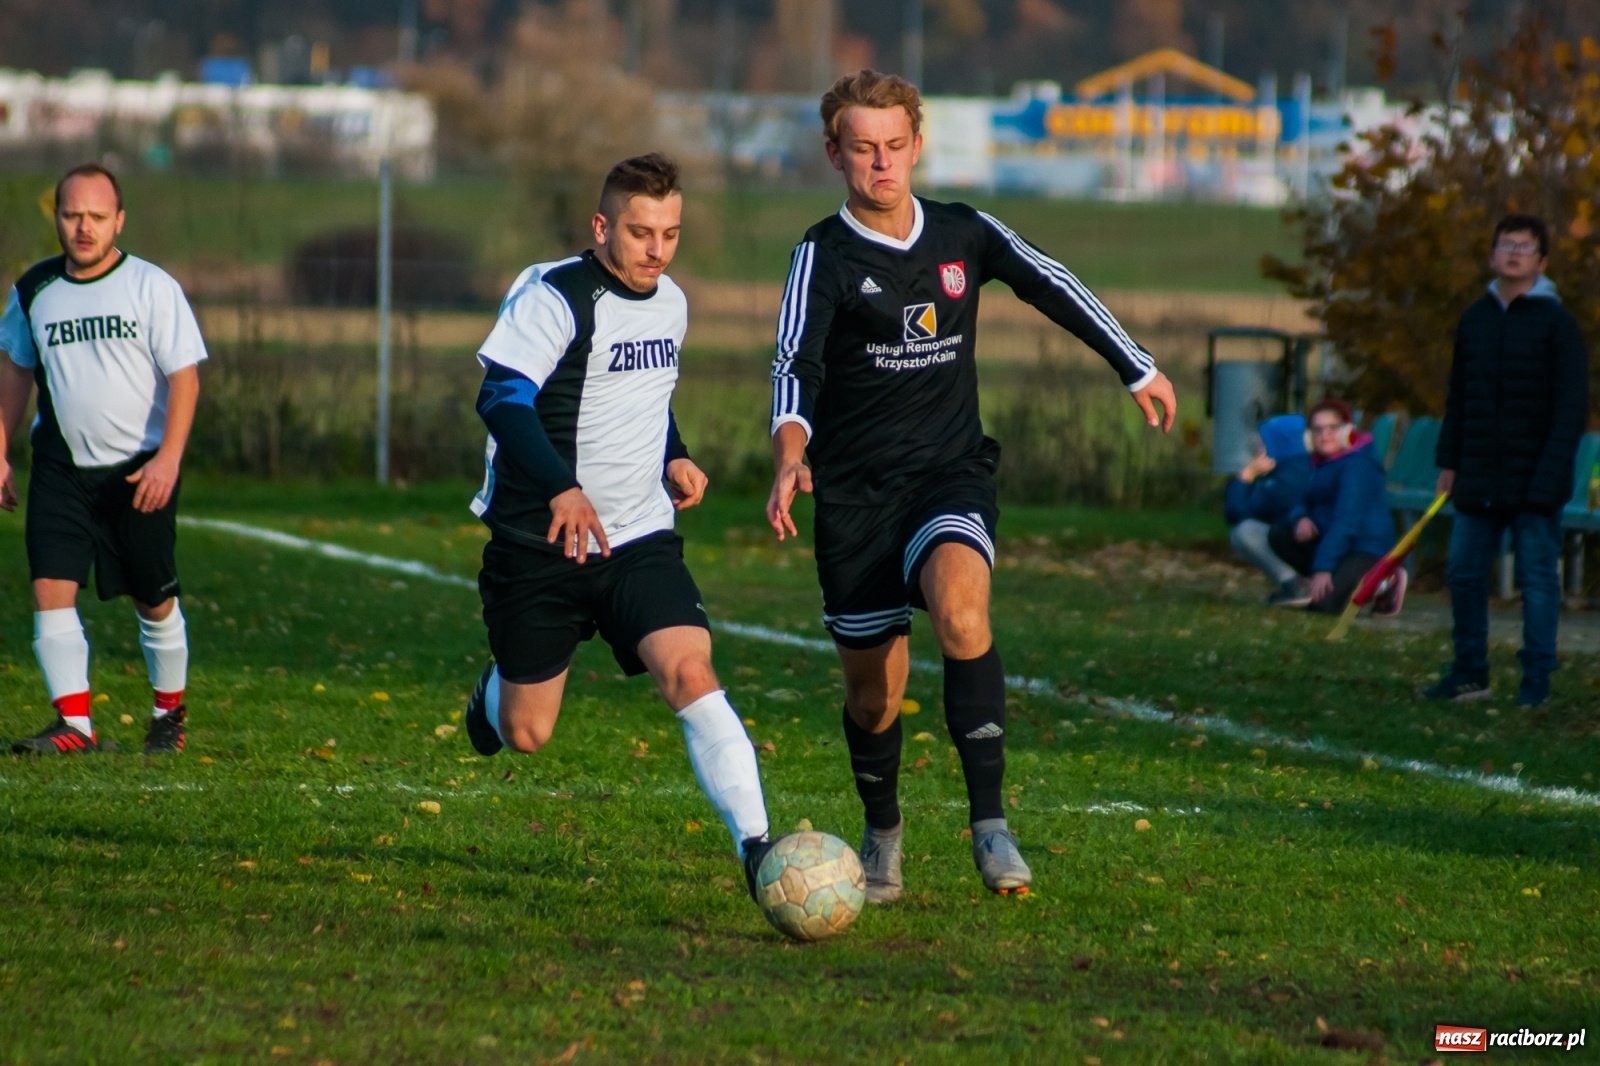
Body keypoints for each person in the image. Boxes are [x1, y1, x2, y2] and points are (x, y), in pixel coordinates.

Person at [765, 70, 1177, 902]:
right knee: (873, 697)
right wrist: (789, 451)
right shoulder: (824, 254)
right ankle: (883, 835)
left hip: (948, 476)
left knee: (961, 608)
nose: (880, 163)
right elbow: (795, 364)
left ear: (916, 144)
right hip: (853, 498)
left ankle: (989, 824)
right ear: (834, 153)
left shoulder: (962, 232)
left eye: (893, 146)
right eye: (861, 149)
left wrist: (1135, 366)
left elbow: (1048, 281)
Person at [460, 154, 777, 895]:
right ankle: (496, 691)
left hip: (637, 536)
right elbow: (502, 399)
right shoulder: (555, 298)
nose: (657, 250)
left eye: (670, 233)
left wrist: (676, 454)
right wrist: (563, 490)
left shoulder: (672, 303)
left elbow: (640, 391)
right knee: (528, 733)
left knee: (690, 672)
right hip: (540, 541)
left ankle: (759, 849)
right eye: (640, 232)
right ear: (603, 226)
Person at [0, 163, 204, 755]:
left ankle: (168, 716)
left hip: (139, 469)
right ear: (57, 218)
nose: (83, 227)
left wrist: (168, 460)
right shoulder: (33, 290)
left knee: (153, 595)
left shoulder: (150, 286)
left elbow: (185, 380)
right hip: (62, 468)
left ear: (119, 220)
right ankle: (75, 726)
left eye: (96, 216)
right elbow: (16, 367)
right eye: (72, 215)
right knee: (50, 587)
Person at [1426, 214, 1589, 708]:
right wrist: (1449, 461)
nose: (1514, 253)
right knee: (1464, 572)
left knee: (1538, 582)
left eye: (1525, 246)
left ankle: (1535, 681)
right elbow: (1460, 397)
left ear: (1541, 261)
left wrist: (1551, 473)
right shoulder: (1475, 319)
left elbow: (1570, 408)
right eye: (1506, 244)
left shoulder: (1558, 325)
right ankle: (1470, 671)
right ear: (1493, 254)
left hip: (1535, 479)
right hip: (1478, 474)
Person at [1268, 399, 1398, 615]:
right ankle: (1333, 580)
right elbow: (1302, 499)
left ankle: (1385, 581)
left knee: (1323, 607)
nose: (1324, 435)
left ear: (1347, 430)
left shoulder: (1358, 466)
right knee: (1281, 533)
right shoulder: (1320, 463)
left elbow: (1347, 521)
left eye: (1332, 428)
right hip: (1337, 544)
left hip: (1365, 547)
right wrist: (1301, 517)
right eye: (1317, 429)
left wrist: (1322, 568)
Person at [1224, 414, 1311, 604]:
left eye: (1262, 444)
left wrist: (1246, 476)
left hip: (1306, 545)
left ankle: (1295, 584)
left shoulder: (1284, 480)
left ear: (1279, 443)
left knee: (1244, 533)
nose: (1256, 450)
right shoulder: (1299, 468)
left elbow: (1237, 511)